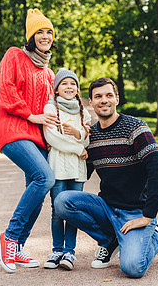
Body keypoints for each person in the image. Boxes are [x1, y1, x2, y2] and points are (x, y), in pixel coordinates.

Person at [54, 77, 158, 278]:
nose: (104, 100)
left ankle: (157, 238)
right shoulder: (90, 136)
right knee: (62, 202)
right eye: (98, 97)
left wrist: (147, 216)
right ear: (91, 102)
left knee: (132, 268)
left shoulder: (135, 127)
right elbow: (82, 174)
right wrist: (69, 151)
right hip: (107, 208)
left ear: (117, 99)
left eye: (108, 95)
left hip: (136, 212)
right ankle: (110, 239)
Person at [0, 9, 59, 273]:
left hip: (37, 138)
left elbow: (54, 110)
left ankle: (18, 246)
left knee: (39, 187)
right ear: (31, 36)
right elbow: (6, 91)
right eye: (40, 32)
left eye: (49, 32)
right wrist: (33, 115)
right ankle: (9, 237)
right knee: (45, 177)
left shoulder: (49, 72)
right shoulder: (14, 55)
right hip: (12, 129)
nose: (45, 36)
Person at [42, 68, 92, 271]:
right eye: (64, 83)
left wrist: (79, 134)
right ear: (56, 89)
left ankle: (69, 252)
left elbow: (88, 141)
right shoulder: (50, 109)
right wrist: (77, 146)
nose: (69, 87)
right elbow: (52, 137)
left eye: (73, 84)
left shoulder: (84, 112)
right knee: (57, 210)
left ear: (77, 89)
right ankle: (56, 250)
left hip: (77, 169)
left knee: (73, 210)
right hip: (57, 166)